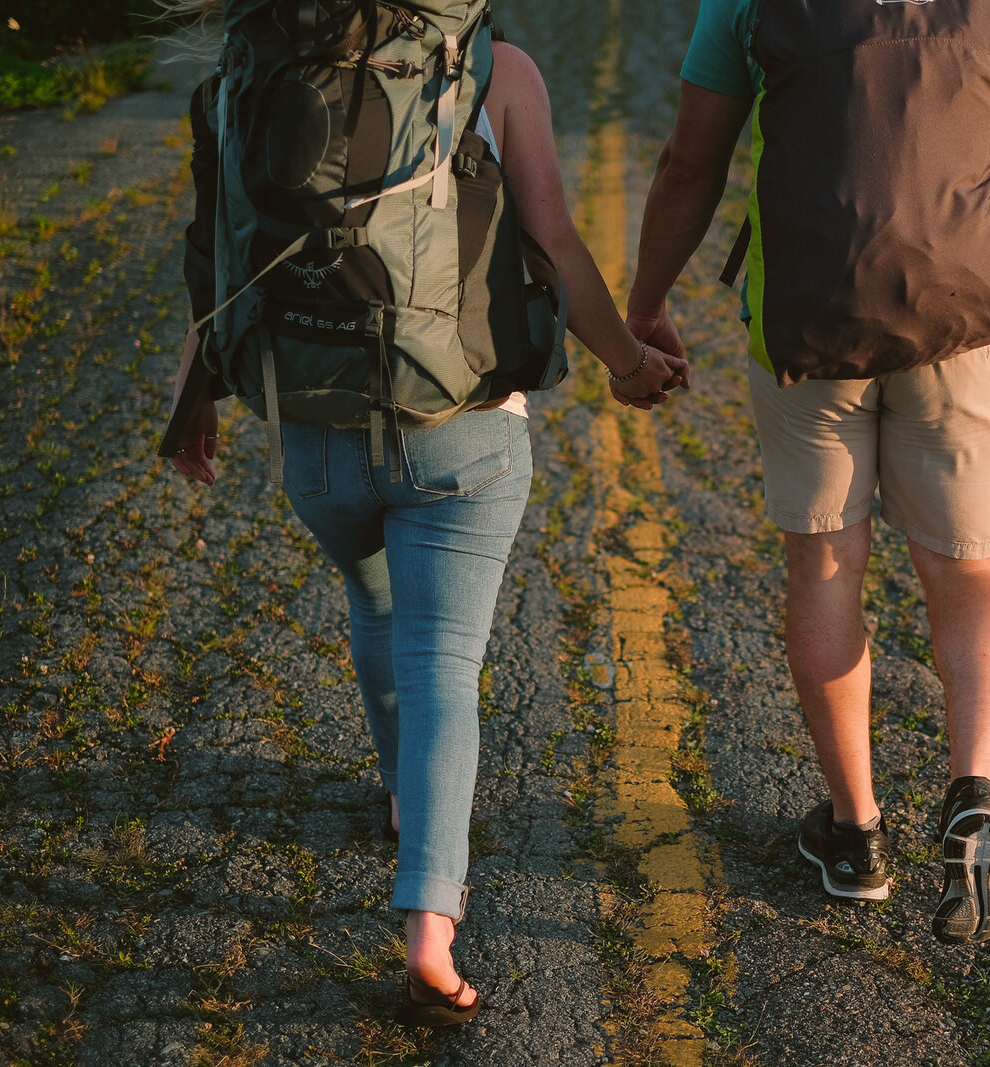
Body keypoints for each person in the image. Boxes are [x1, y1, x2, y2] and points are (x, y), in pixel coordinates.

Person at [167, 25, 688, 1024]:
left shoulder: (251, 63)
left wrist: (194, 395)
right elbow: (555, 241)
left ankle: (406, 797)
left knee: (375, 613)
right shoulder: (495, 68)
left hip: (315, 430)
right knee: (444, 655)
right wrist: (625, 363)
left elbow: (218, 243)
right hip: (464, 432)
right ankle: (429, 932)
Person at [625, 0, 990, 943]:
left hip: (811, 317)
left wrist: (643, 305)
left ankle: (856, 835)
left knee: (828, 565)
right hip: (968, 312)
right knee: (972, 571)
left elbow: (690, 162)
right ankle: (973, 786)